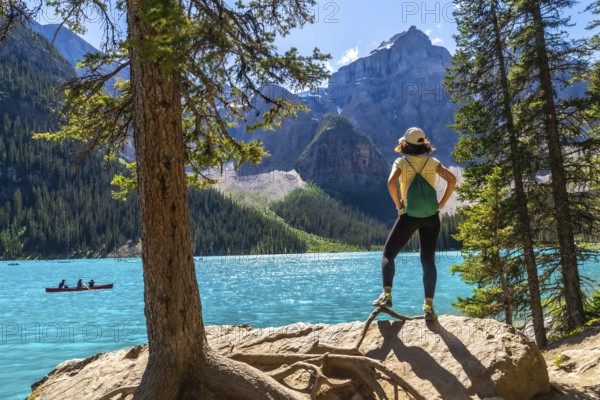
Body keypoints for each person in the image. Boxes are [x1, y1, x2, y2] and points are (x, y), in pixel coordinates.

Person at [372, 127, 456, 321]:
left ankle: (387, 295)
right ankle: (428, 307)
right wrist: (441, 204)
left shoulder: (401, 161)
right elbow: (452, 180)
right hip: (431, 217)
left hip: (409, 215)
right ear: (423, 144)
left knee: (388, 253)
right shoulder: (433, 162)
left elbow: (391, 183)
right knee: (428, 261)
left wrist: (399, 205)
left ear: (406, 145)